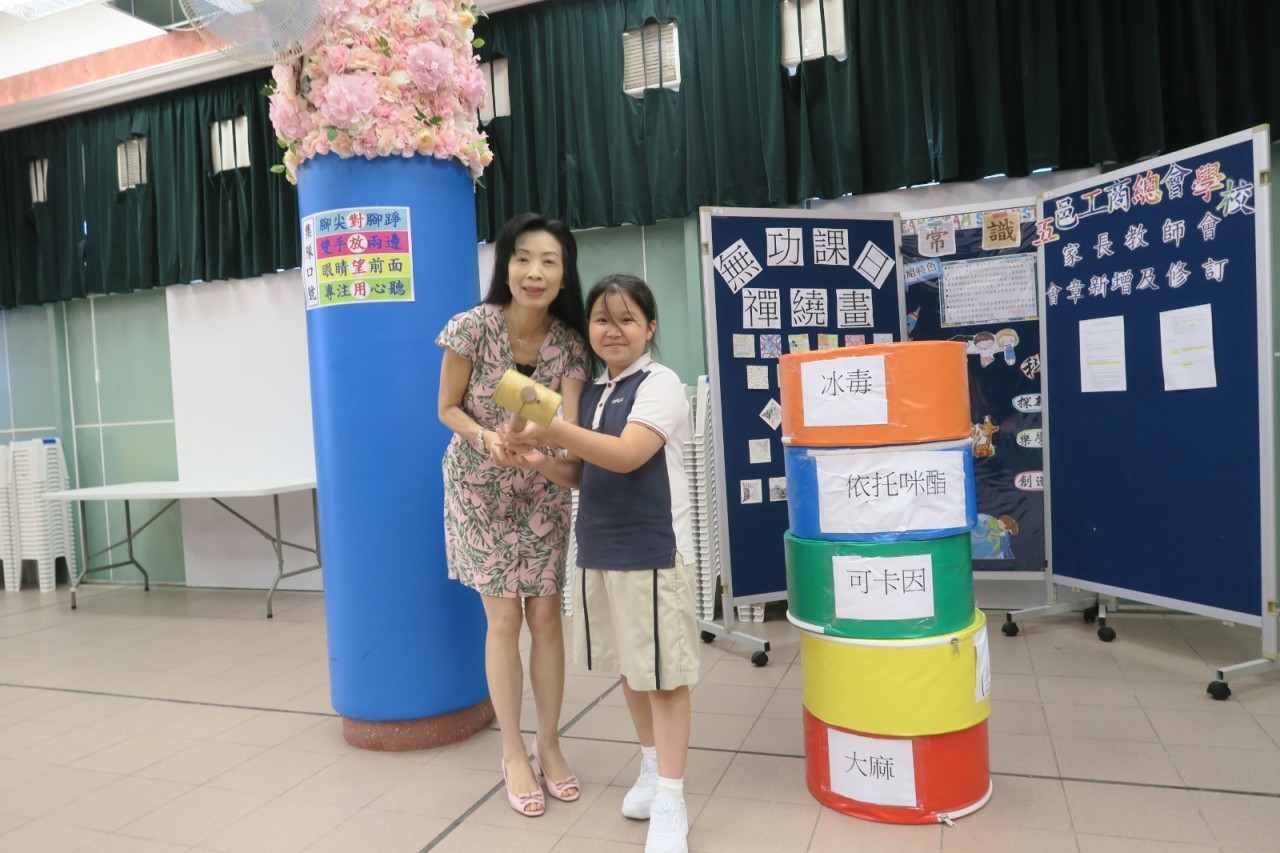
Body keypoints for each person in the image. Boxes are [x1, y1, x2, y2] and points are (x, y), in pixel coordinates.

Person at [505, 274, 699, 853]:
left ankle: (672, 800)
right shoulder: (589, 393)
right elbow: (583, 471)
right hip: (599, 549)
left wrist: (552, 425)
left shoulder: (662, 384)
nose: (613, 330)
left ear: (650, 327)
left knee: (663, 677)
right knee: (631, 669)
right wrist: (541, 459)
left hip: (653, 551)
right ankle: (651, 768)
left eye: (627, 319)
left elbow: (626, 454)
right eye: (601, 320)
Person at [436, 213, 588, 818]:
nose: (534, 272)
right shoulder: (470, 327)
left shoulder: (571, 343)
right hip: (478, 486)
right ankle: (511, 752)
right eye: (523, 258)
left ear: (563, 275)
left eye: (549, 261)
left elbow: (569, 427)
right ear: (505, 266)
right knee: (503, 618)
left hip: (541, 485)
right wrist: (486, 438)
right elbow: (448, 408)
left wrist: (536, 444)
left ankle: (548, 743)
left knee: (546, 614)